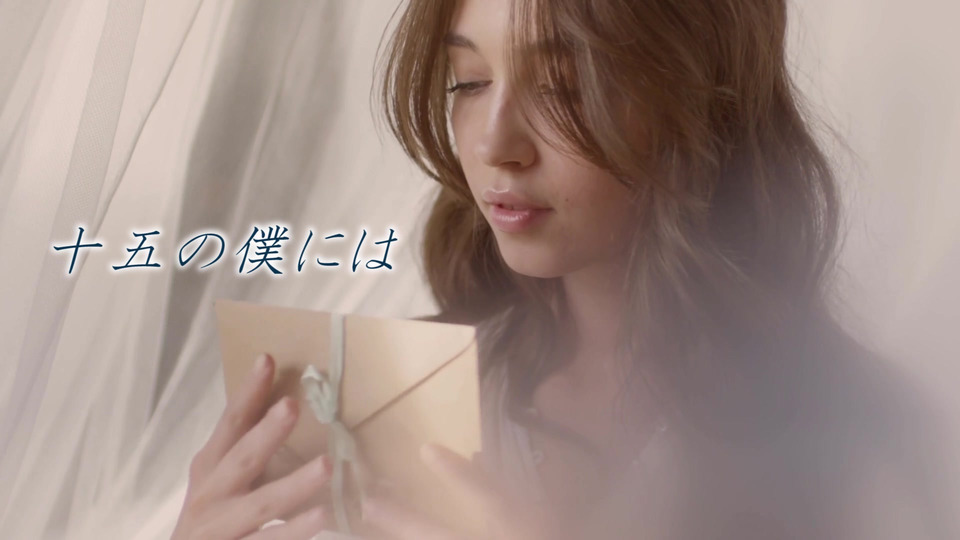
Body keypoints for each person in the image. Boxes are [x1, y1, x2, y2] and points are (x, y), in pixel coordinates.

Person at [172, 0, 959, 538]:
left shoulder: (855, 446)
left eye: (564, 86)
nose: (494, 144)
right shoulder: (396, 395)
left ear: (701, 99)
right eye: (468, 82)